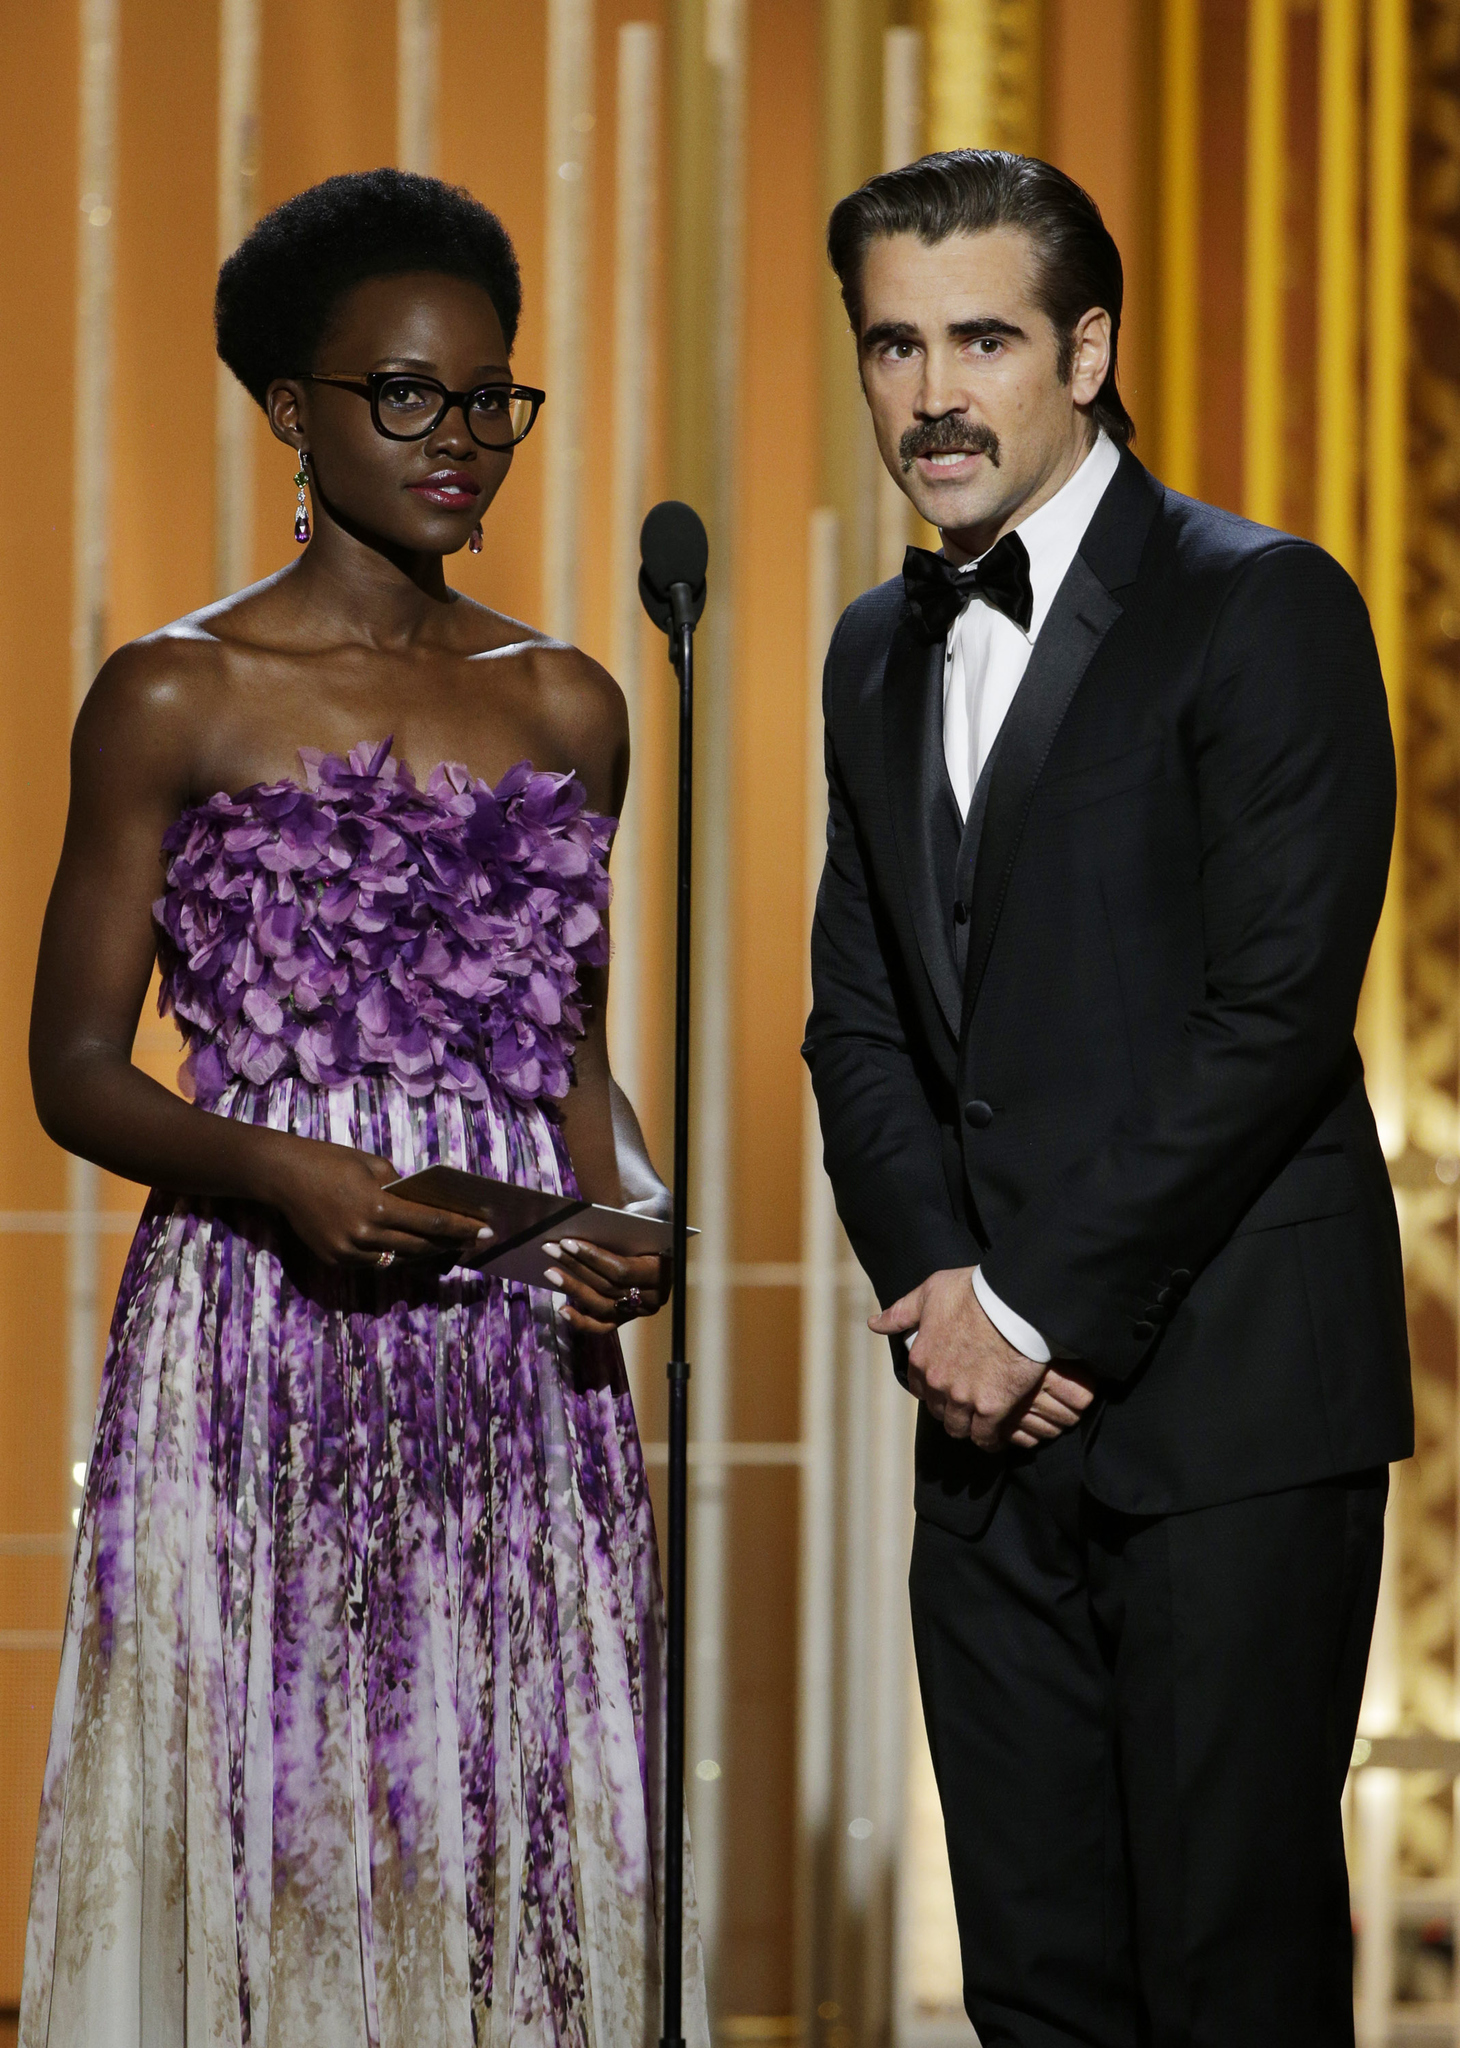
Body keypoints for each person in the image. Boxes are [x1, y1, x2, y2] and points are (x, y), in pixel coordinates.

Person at [22, 168, 707, 2048]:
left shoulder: (571, 700)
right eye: (407, 394)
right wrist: (278, 1173)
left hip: (513, 1353)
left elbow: (570, 1057)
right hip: (259, 1322)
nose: (460, 437)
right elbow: (72, 1065)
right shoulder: (172, 690)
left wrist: (639, 1212)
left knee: (496, 1826)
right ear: (291, 414)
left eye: (490, 394)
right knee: (277, 1816)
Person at [804, 149, 1412, 2047]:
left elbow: (1277, 1017)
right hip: (979, 1426)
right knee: (1037, 1982)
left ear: (1089, 348)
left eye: (981, 337)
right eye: (893, 343)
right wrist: (937, 1299)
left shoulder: (1260, 605)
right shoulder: (874, 650)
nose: (931, 393)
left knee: (1230, 1973)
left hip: (1229, 1404)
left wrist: (1032, 1305)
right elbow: (860, 1017)